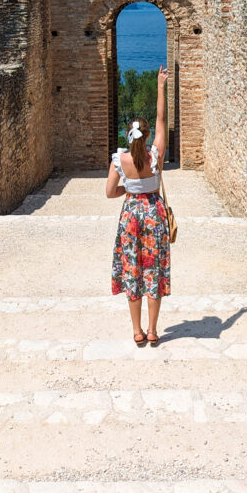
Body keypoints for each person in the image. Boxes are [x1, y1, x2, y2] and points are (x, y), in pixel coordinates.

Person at [107, 64, 170, 346]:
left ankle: (137, 331)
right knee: (153, 270)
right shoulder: (155, 155)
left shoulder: (120, 160)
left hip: (131, 215)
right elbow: (162, 120)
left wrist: (129, 189)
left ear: (128, 134)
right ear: (146, 135)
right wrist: (160, 85)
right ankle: (154, 330)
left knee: (133, 269)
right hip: (154, 214)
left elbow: (110, 192)